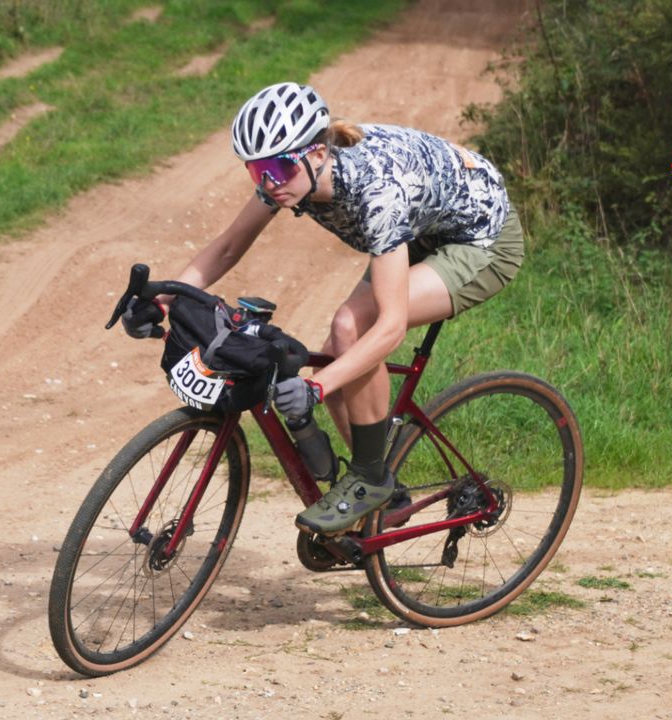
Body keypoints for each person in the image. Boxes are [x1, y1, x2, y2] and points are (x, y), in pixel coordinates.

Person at [123, 82, 524, 536]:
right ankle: (382, 489)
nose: (268, 183)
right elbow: (230, 247)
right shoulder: (288, 177)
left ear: (316, 154)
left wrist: (316, 387)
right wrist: (168, 296)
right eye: (256, 171)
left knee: (352, 326)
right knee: (340, 346)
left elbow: (390, 326)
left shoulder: (377, 192)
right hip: (419, 223)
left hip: (479, 240)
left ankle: (370, 478)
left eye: (276, 167)